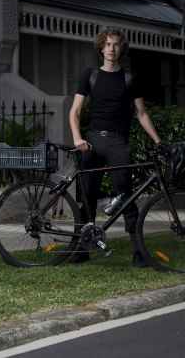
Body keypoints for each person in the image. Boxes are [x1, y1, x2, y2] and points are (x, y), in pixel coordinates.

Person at [69, 28, 161, 267]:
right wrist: (77, 137)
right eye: (108, 44)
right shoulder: (90, 75)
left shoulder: (130, 78)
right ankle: (83, 248)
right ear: (101, 47)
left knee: (126, 196)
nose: (111, 49)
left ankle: (139, 252)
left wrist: (159, 142)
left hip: (118, 142)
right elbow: (75, 111)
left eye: (116, 45)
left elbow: (141, 114)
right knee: (87, 197)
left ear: (121, 48)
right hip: (91, 141)